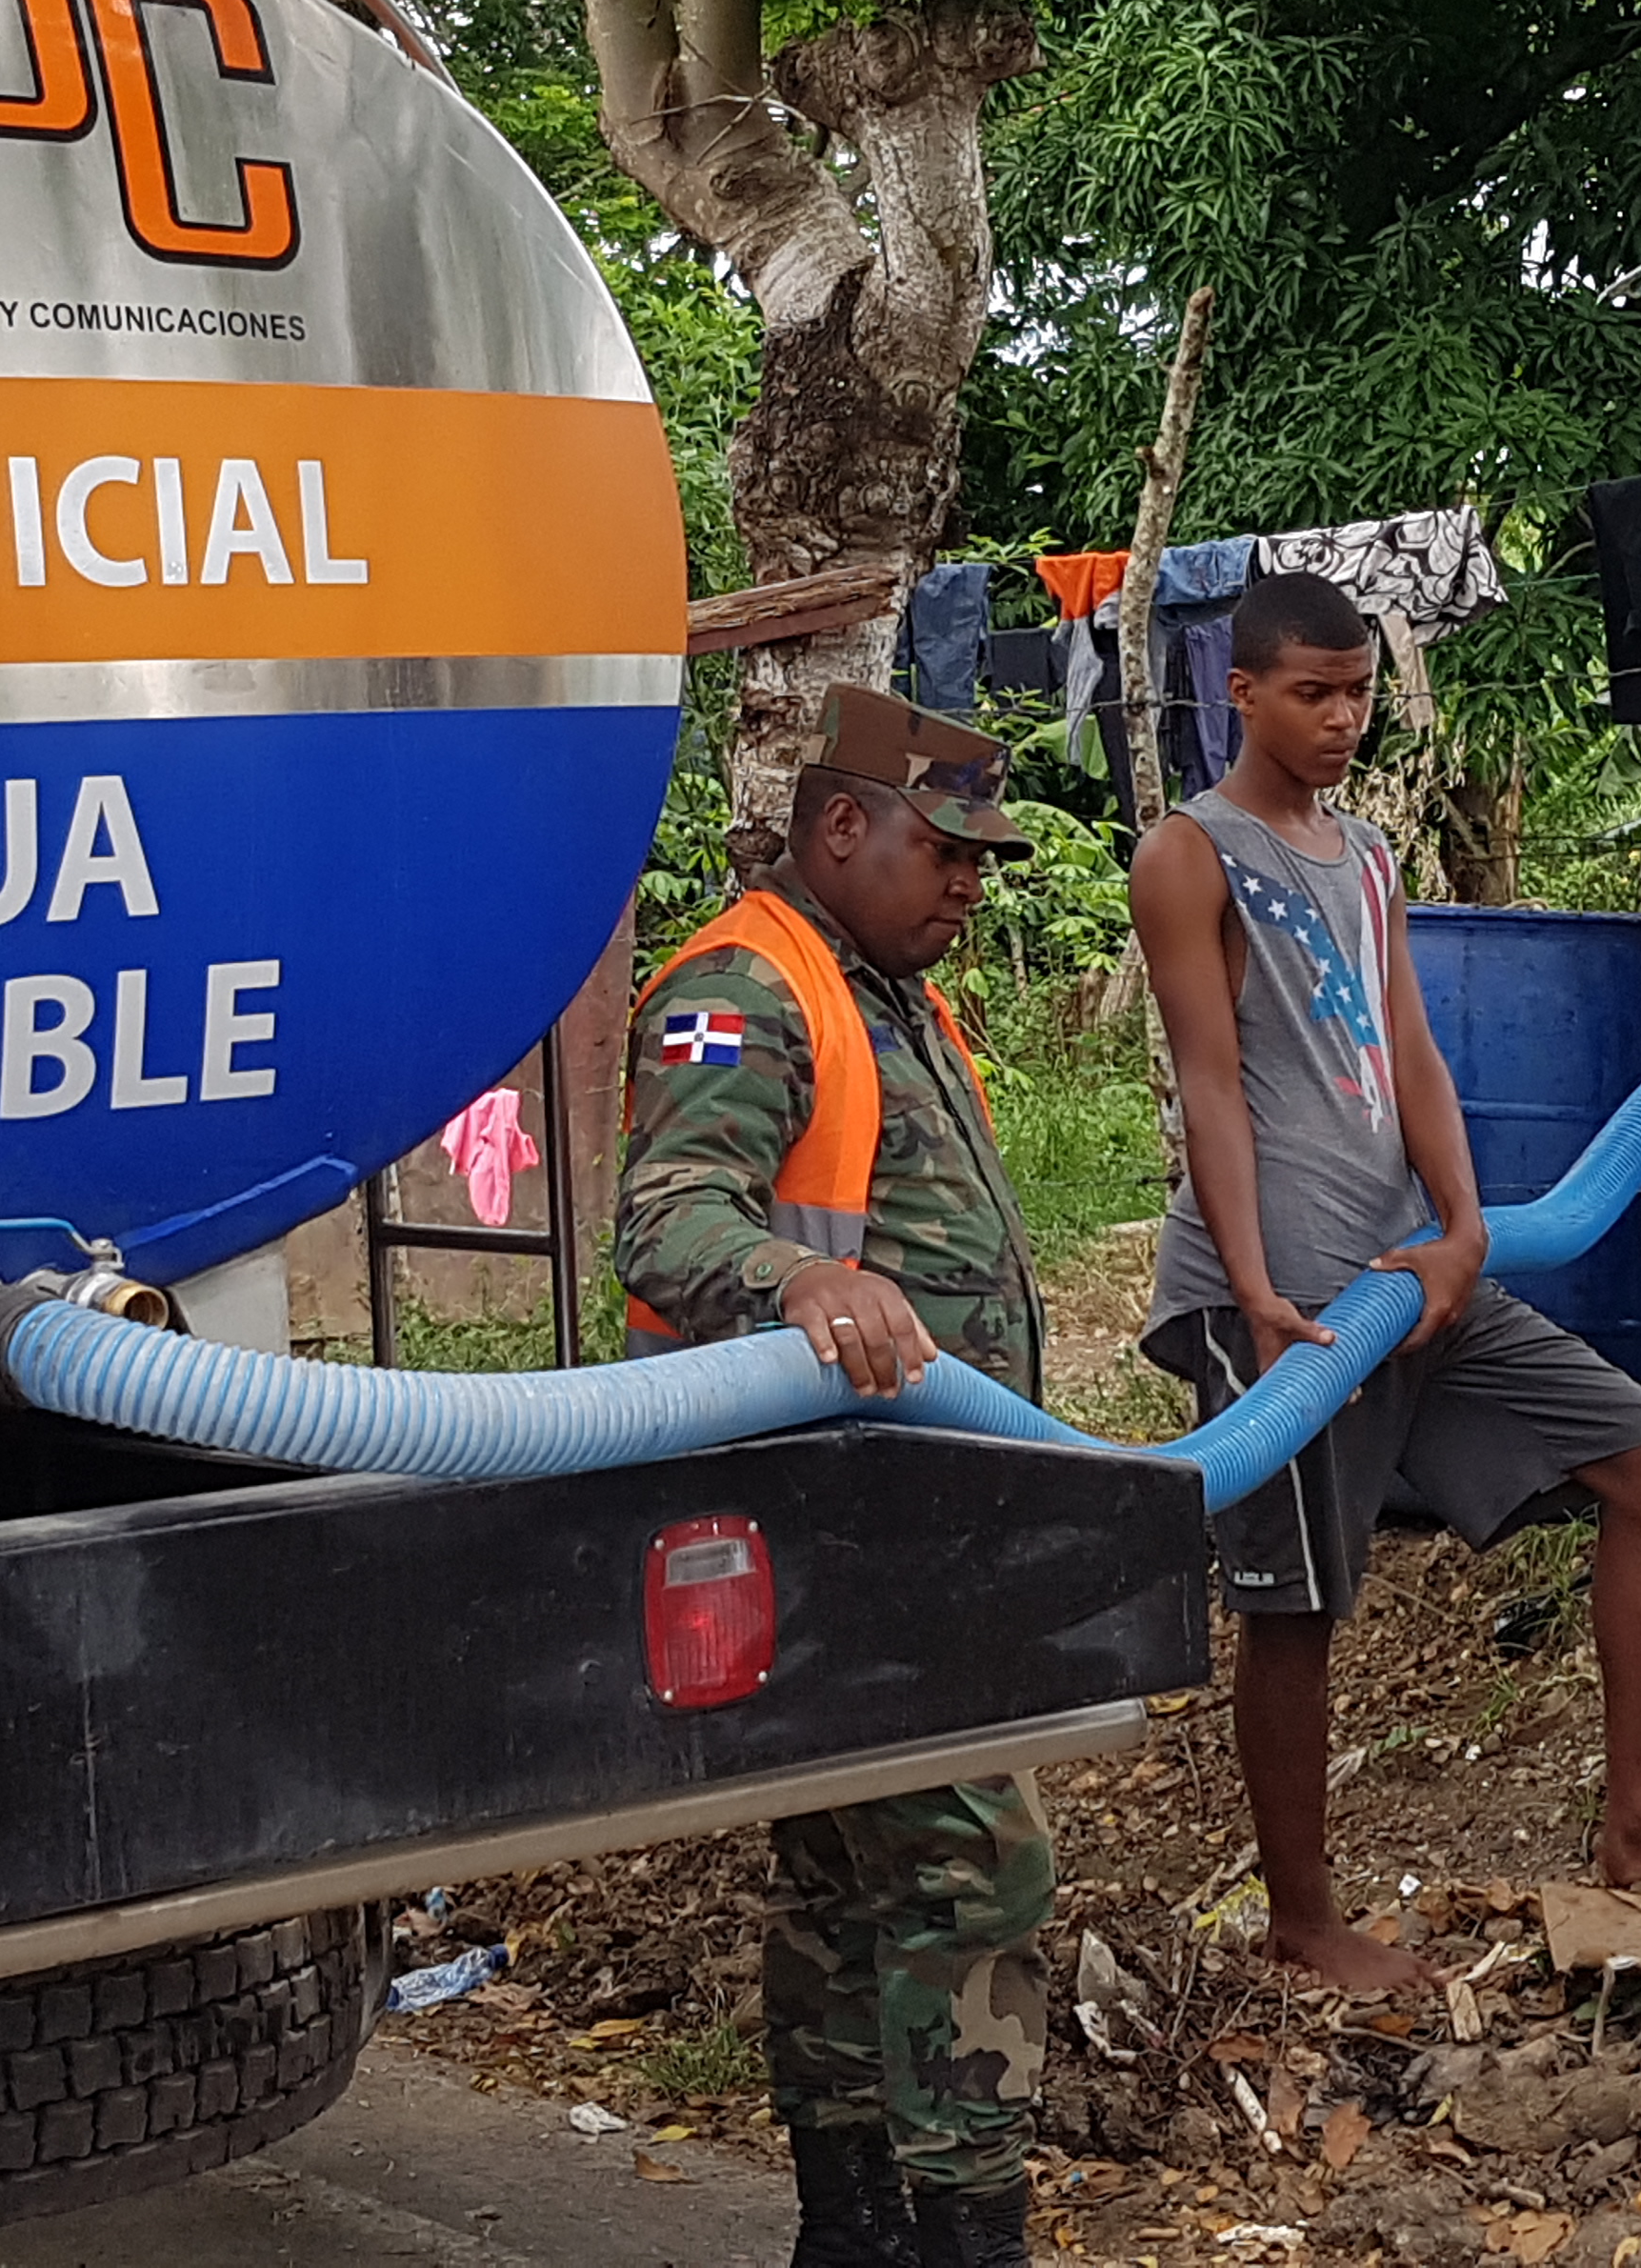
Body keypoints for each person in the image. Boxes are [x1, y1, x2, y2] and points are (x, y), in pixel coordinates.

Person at [1132, 572, 1641, 1980]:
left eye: (1359, 693)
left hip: (1413, 1278)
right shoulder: (1188, 855)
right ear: (1241, 693)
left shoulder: (1368, 854)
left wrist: (1460, 1227)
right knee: (1296, 1608)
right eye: (1311, 694)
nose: (1339, 720)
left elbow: (1417, 1055)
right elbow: (1206, 1084)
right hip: (1286, 1302)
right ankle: (1305, 1924)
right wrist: (1259, 1296)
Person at [614, 688, 1050, 2268]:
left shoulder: (881, 988)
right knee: (976, 1864)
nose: (967, 884)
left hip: (900, 1500)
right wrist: (792, 1286)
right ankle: (960, 2229)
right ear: (841, 823)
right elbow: (667, 1214)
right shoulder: (746, 988)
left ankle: (851, 2225)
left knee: (845, 1875)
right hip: (833, 1513)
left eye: (982, 860)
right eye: (943, 848)